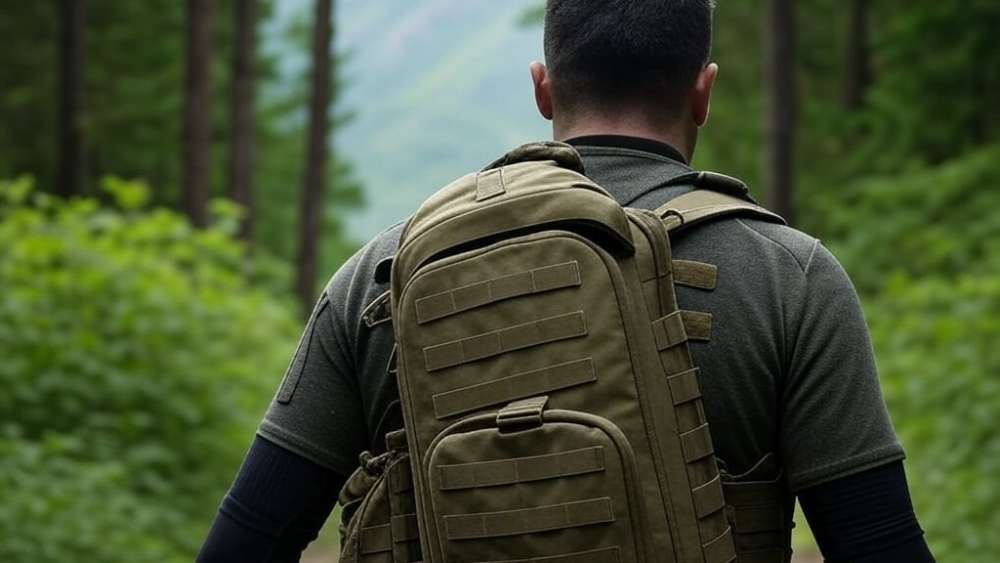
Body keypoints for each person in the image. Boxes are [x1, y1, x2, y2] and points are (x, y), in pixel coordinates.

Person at [197, 1, 934, 562]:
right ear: (702, 92)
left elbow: (246, 540)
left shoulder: (379, 275)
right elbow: (877, 542)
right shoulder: (792, 277)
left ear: (543, 89)